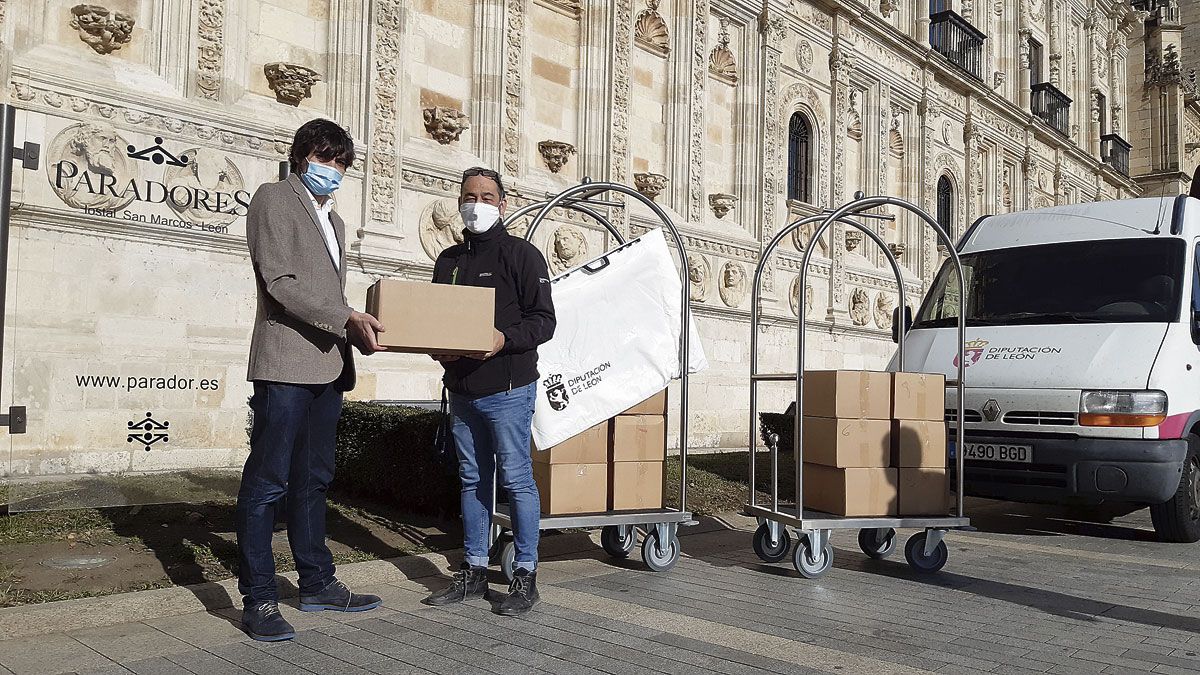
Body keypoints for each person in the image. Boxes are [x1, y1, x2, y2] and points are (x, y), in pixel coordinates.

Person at [237, 119, 386, 642]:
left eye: (342, 163)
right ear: (302, 156)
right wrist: (344, 317)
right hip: (284, 364)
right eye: (327, 159)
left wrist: (356, 328)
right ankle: (258, 599)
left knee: (313, 480)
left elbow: (328, 293)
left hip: (327, 365)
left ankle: (317, 583)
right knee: (267, 482)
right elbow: (280, 283)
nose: (335, 171)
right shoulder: (275, 198)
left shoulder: (336, 222)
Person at [424, 166, 556, 617]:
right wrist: (434, 349)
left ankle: (526, 576)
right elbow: (436, 320)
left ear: (503, 203)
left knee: (517, 479)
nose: (475, 204)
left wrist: (504, 339)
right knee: (472, 479)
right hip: (462, 389)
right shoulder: (448, 261)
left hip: (508, 387)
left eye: (485, 196)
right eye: (468, 196)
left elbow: (544, 321)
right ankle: (475, 570)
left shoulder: (523, 256)